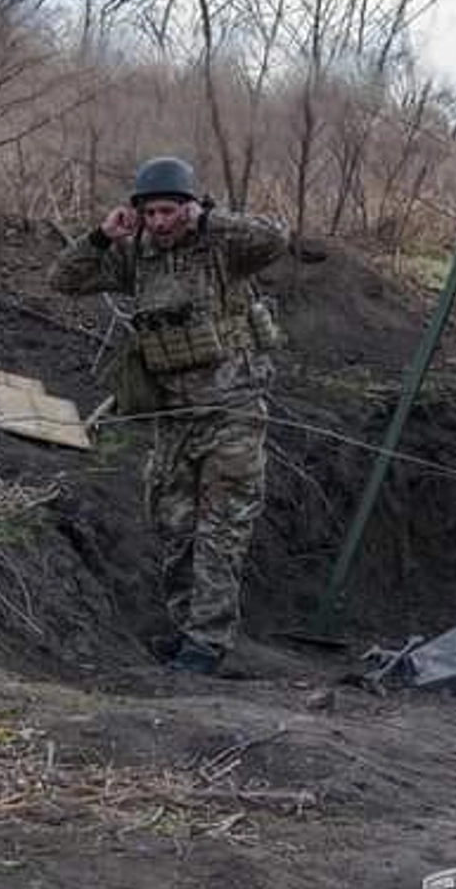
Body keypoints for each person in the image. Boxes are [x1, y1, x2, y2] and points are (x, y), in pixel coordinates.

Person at [52, 157, 287, 674]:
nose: (159, 221)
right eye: (150, 212)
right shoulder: (138, 256)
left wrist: (209, 219)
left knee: (221, 530)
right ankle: (185, 631)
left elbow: (275, 238)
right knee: (174, 525)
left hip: (232, 413)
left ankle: (208, 643)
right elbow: (64, 280)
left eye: (169, 210)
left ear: (188, 206)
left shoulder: (223, 247)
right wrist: (99, 237)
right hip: (173, 419)